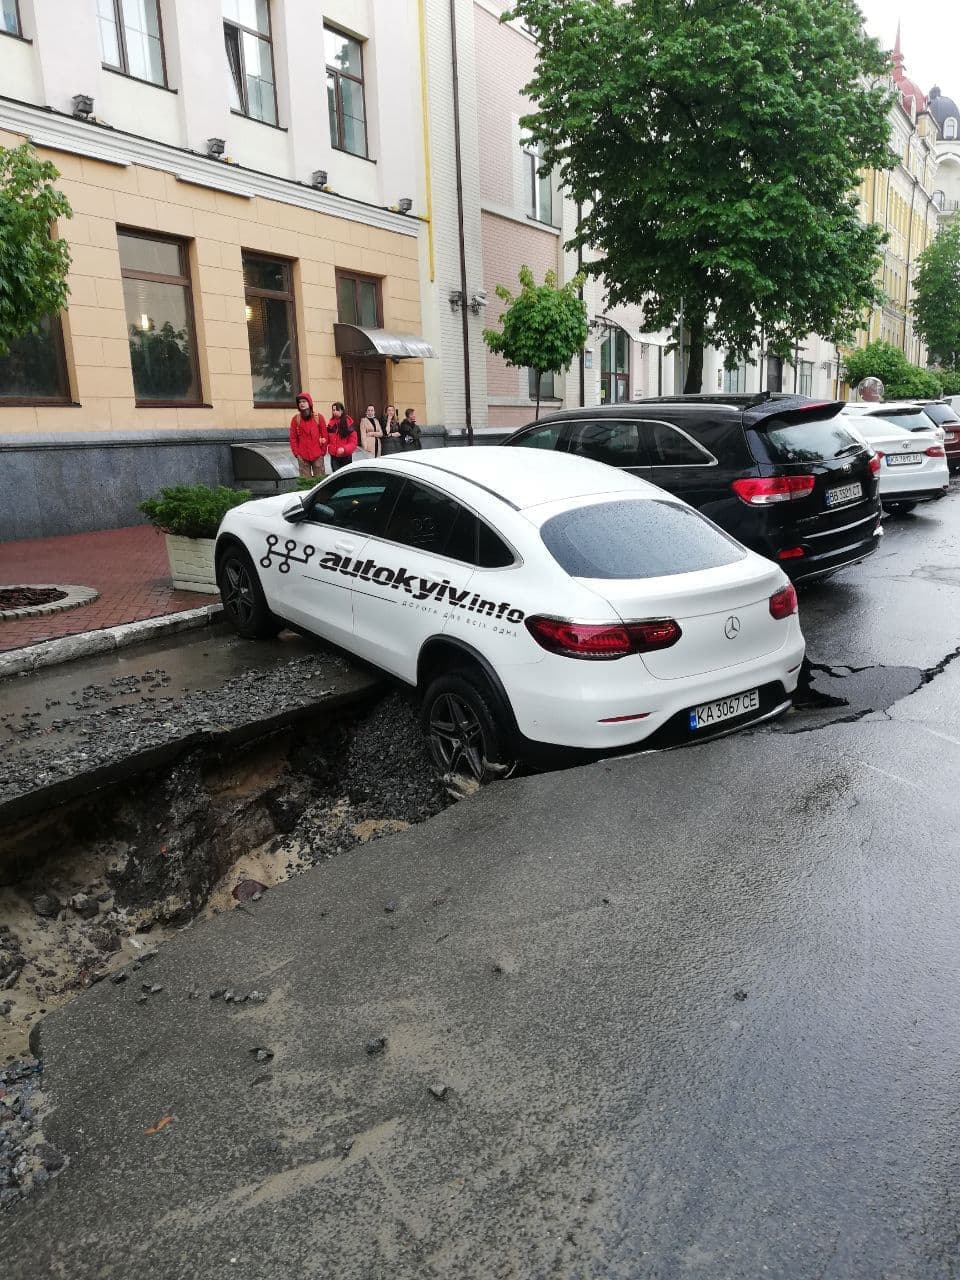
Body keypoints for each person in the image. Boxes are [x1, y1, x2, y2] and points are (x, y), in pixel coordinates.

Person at [289, 392, 327, 479]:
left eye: (304, 401)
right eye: (300, 402)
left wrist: (322, 452)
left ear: (309, 403)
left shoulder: (318, 417)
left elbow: (325, 435)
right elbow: (293, 438)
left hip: (317, 455)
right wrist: (297, 454)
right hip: (302, 456)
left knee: (320, 481)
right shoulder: (296, 419)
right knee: (306, 483)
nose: (301, 404)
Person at [328, 401, 358, 471]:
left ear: (342, 411)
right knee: (336, 476)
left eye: (337, 410)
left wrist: (344, 449)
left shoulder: (349, 424)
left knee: (345, 477)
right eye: (333, 410)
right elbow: (328, 438)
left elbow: (353, 442)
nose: (335, 412)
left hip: (346, 456)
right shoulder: (330, 424)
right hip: (334, 456)